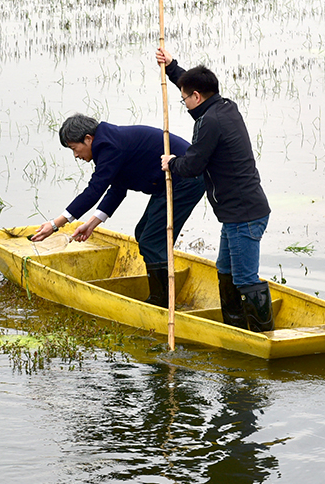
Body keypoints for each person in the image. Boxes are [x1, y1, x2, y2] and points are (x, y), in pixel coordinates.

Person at [30, 114, 205, 308]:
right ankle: (161, 295)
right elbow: (117, 189)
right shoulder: (109, 142)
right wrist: (90, 225)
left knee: (152, 240)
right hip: (172, 182)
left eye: (74, 148)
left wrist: (55, 224)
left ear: (88, 139)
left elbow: (94, 190)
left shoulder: (109, 146)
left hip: (186, 179)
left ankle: (162, 302)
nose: (76, 155)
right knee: (144, 234)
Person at [155, 47, 273, 332]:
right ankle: (234, 328)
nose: (183, 103)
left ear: (196, 98)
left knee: (245, 279)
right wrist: (172, 67)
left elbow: (193, 165)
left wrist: (172, 163)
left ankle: (261, 335)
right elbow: (192, 84)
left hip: (243, 214)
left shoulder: (210, 122)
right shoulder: (224, 106)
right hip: (234, 214)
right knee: (225, 270)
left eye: (184, 99)